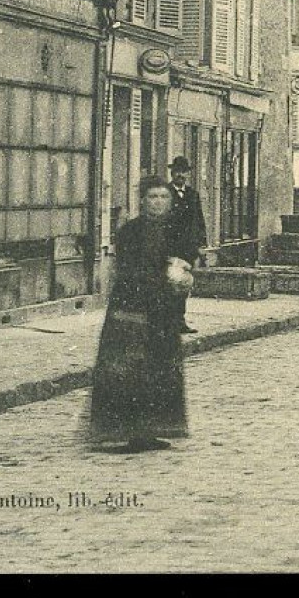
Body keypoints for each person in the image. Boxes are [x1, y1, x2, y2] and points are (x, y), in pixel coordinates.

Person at [86, 177, 199, 453]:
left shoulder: (177, 230)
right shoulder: (130, 232)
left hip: (163, 310)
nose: (158, 202)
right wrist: (161, 276)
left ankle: (151, 430)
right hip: (131, 307)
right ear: (143, 201)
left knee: (159, 368)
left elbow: (187, 258)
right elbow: (129, 268)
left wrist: (183, 271)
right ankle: (124, 430)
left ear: (170, 201)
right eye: (152, 197)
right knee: (128, 369)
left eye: (163, 197)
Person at [167, 156, 207, 334]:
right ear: (172, 173)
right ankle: (168, 322)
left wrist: (200, 244)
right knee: (169, 285)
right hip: (171, 249)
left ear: (187, 174)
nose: (180, 175)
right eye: (177, 172)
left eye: (183, 172)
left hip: (188, 250)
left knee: (183, 286)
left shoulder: (192, 195)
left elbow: (199, 221)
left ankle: (179, 321)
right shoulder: (165, 194)